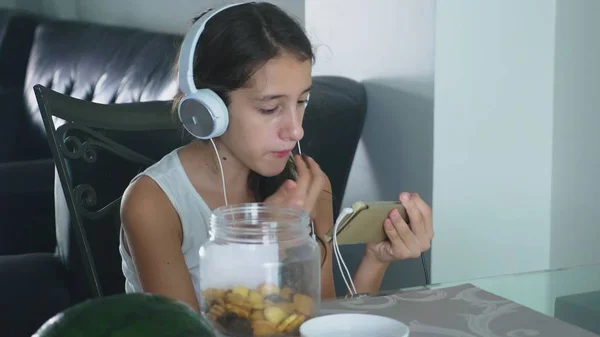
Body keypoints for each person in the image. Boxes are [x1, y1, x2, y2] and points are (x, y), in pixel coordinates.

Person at [118, 1, 434, 313]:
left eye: (302, 101)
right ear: (207, 110)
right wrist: (261, 245)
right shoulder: (153, 203)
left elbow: (323, 326)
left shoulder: (308, 186)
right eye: (270, 108)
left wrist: (376, 260)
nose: (296, 131)